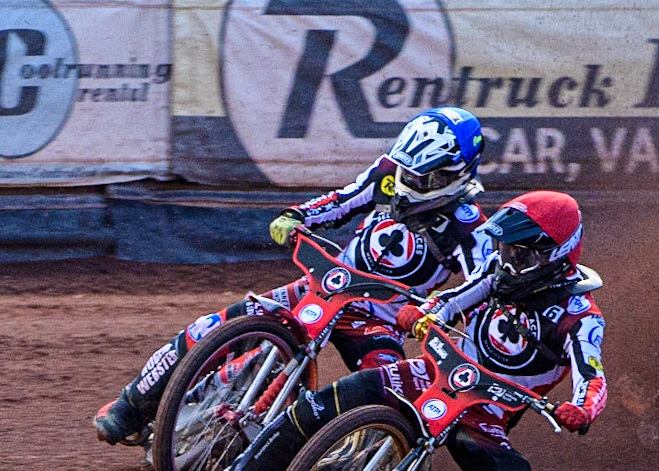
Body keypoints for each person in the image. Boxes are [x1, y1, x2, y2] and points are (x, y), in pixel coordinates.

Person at [188, 190, 607, 471]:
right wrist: (423, 312)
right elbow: (453, 299)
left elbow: (592, 377)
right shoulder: (499, 273)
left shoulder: (581, 317)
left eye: (521, 254)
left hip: (484, 416)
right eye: (506, 249)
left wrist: (582, 408)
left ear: (554, 254)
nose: (509, 261)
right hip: (429, 374)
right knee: (319, 405)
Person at [93, 106, 489, 447]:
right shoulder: (390, 173)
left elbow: (480, 293)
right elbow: (343, 200)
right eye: (406, 171)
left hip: (377, 323)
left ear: (454, 175)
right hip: (324, 286)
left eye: (422, 178)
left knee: (387, 405)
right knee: (211, 327)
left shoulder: (470, 228)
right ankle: (131, 406)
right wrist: (298, 215)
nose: (408, 183)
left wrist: (442, 322)